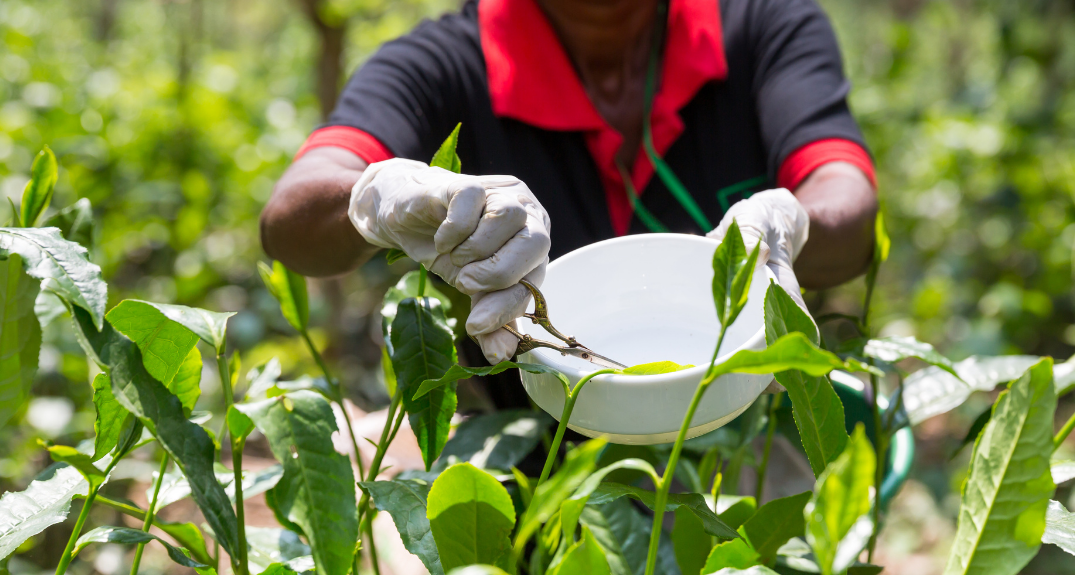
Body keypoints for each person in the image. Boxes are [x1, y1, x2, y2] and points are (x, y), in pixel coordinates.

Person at [260, 0, 878, 375]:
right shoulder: (440, 67)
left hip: (745, 449)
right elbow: (292, 215)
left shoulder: (764, 26)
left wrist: (789, 220)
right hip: (536, 475)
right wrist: (377, 198)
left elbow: (843, 193)